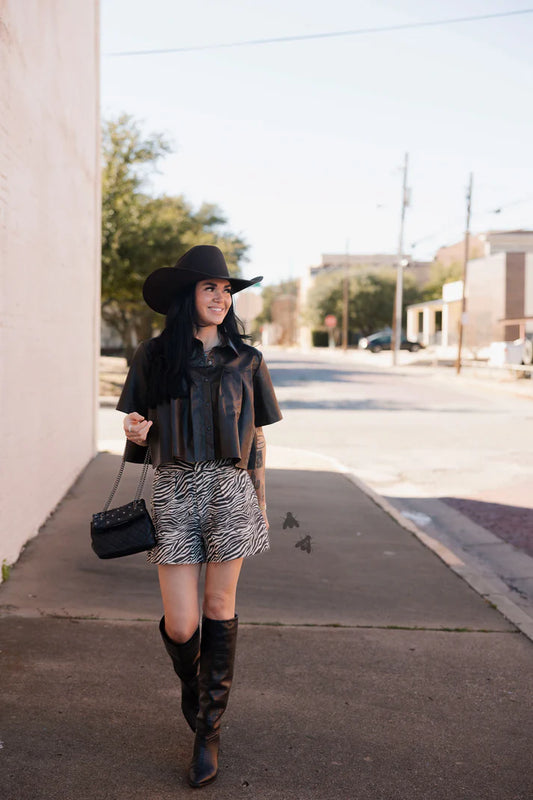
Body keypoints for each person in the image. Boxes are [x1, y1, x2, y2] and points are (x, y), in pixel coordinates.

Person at [115, 244, 282, 788]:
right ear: (187, 295)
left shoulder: (247, 359)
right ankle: (195, 687)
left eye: (226, 290)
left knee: (218, 607)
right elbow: (139, 429)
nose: (221, 298)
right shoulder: (154, 355)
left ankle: (208, 730)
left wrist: (260, 503)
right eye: (211, 288)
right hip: (174, 488)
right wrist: (135, 433)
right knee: (183, 623)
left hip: (230, 490)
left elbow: (257, 438)